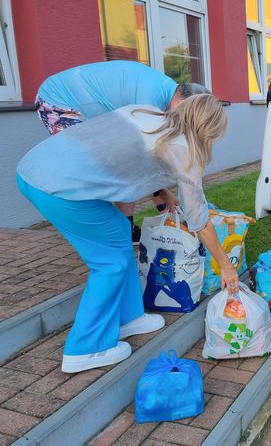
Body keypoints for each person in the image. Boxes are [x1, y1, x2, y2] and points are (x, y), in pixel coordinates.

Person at [17, 94, 240, 373]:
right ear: (209, 129)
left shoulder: (143, 111)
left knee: (120, 234)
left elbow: (129, 160)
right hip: (55, 186)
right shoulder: (185, 153)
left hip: (36, 165)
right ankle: (86, 348)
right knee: (110, 262)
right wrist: (227, 265)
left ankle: (129, 316)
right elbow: (200, 221)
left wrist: (163, 192)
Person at [35, 60, 211, 241]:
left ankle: (125, 229)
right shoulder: (149, 102)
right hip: (58, 101)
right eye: (186, 115)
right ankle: (106, 236)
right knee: (99, 169)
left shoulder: (168, 93)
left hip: (85, 104)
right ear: (182, 101)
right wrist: (162, 193)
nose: (183, 123)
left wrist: (161, 192)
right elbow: (141, 157)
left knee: (123, 167)